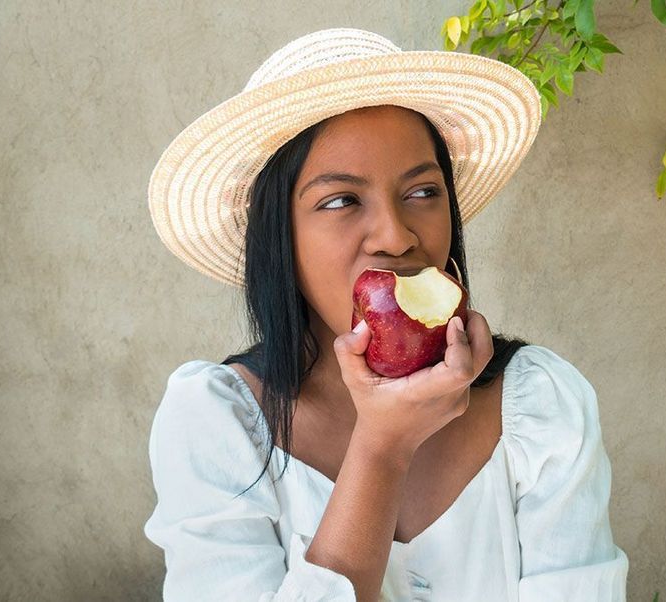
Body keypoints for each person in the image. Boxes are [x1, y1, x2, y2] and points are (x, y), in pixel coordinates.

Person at [142, 27, 629, 601]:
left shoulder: (542, 407)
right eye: (342, 201)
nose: (397, 237)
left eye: (423, 192)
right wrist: (381, 448)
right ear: (278, 236)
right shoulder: (215, 424)